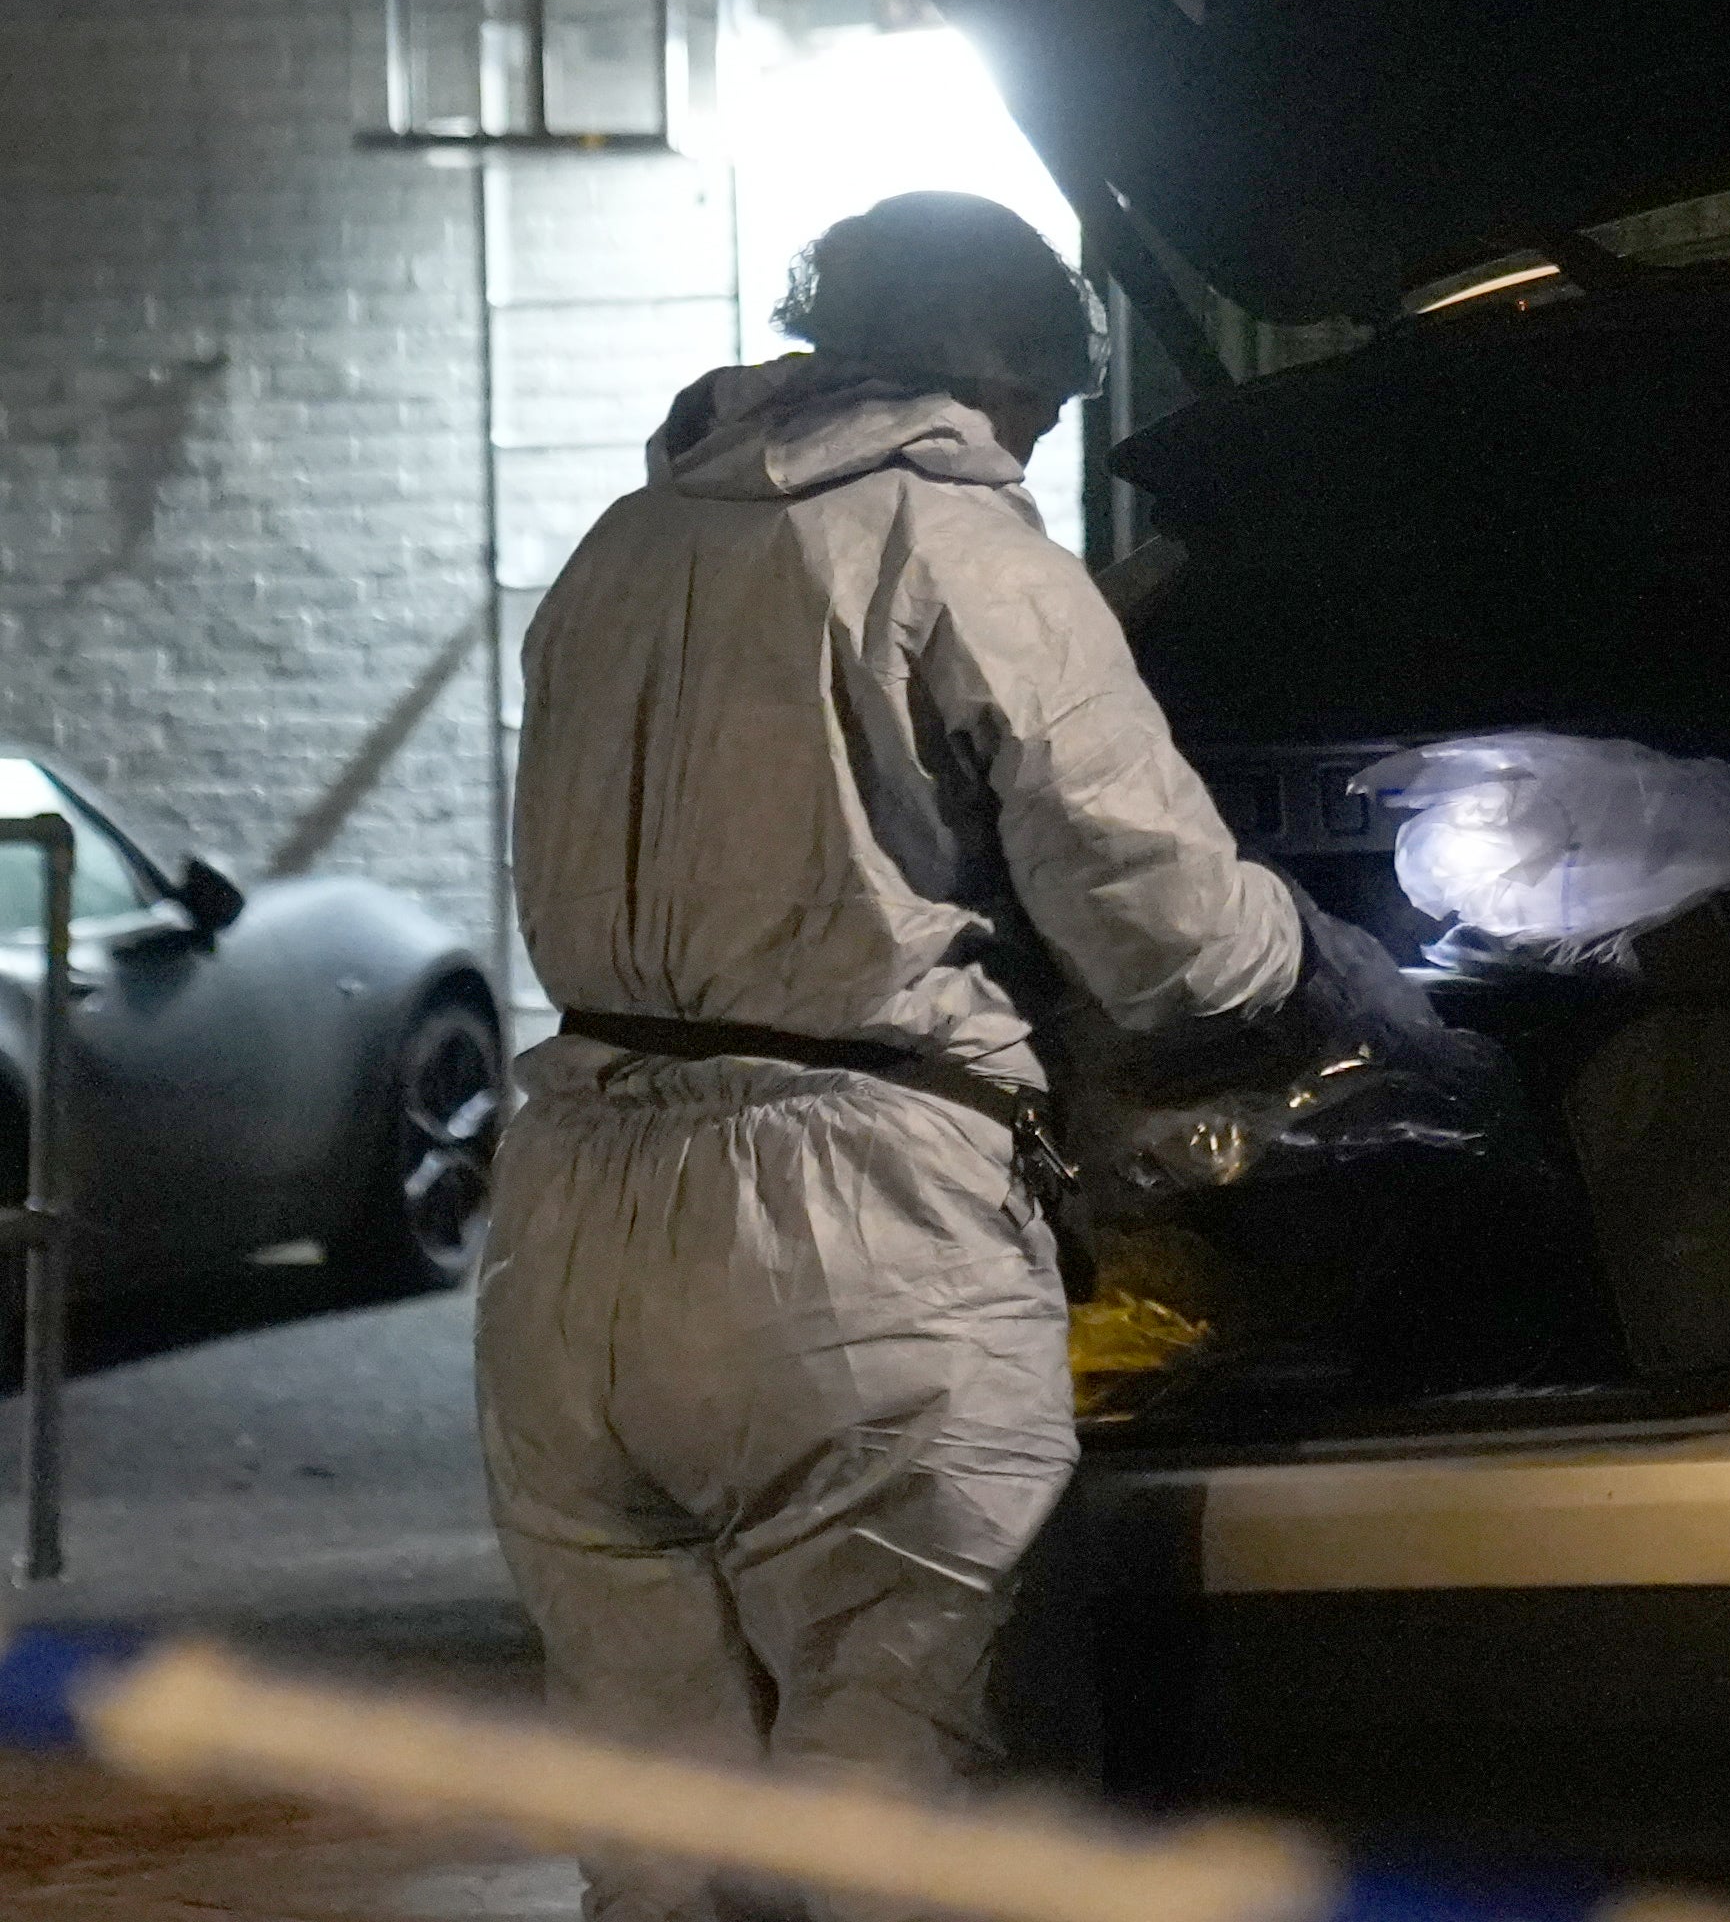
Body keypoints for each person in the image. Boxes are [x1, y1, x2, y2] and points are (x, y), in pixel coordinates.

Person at [477, 190, 1304, 1921]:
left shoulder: (618, 544)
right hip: (856, 1245)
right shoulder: (971, 550)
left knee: (664, 1850)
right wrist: (1327, 960)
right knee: (908, 1825)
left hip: (565, 1239)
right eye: (1051, 406)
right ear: (1000, 370)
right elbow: (1165, 936)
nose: (1039, 441)